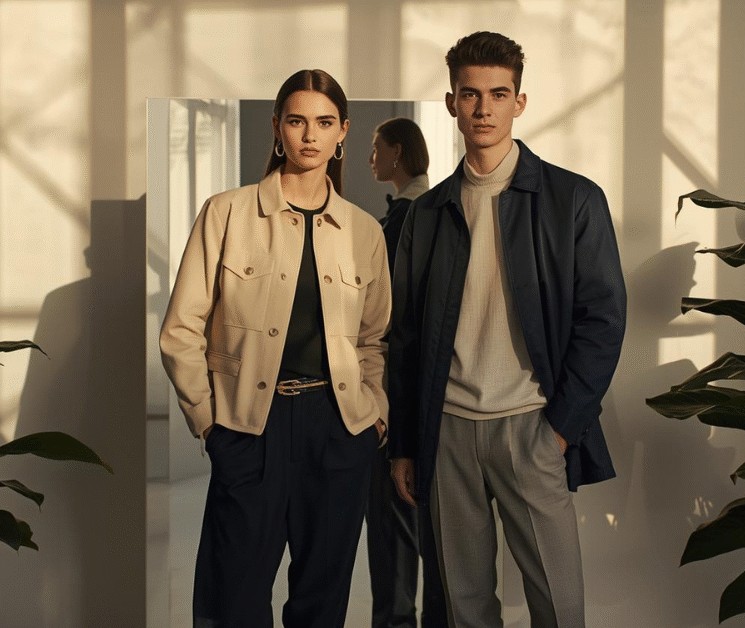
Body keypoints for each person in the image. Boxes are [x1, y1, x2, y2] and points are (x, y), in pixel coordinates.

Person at [388, 32, 626, 628]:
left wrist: (562, 429)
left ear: (520, 102)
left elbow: (604, 319)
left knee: (558, 604)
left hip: (533, 425)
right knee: (463, 606)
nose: (483, 108)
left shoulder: (572, 199)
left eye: (498, 94)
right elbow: (407, 334)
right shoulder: (429, 212)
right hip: (446, 431)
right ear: (451, 103)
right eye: (470, 95)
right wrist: (407, 445)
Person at [160, 69, 391, 628]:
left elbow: (374, 339)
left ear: (343, 133)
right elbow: (180, 330)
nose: (310, 135)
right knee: (232, 599)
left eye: (324, 122)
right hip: (249, 425)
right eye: (296, 121)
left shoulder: (364, 232)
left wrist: (374, 417)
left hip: (339, 430)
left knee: (322, 598)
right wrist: (211, 423)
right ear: (276, 128)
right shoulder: (227, 213)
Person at [366, 118, 447, 628]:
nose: (371, 158)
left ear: (397, 152)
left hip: (402, 387)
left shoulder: (410, 216)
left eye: (376, 149)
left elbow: (396, 314)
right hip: (420, 387)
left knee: (398, 520)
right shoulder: (423, 208)